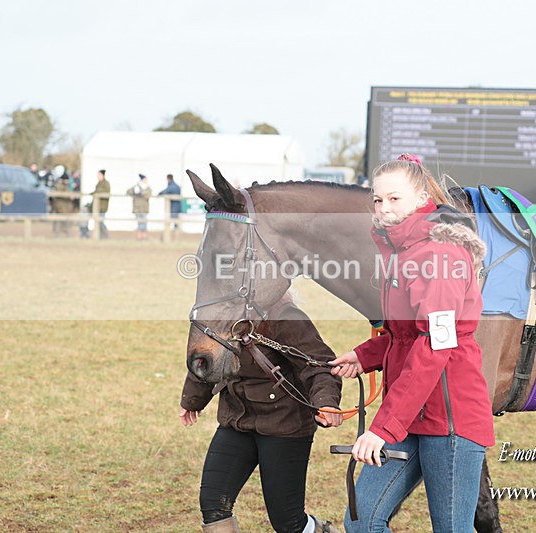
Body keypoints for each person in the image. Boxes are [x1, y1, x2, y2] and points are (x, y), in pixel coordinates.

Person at [330, 153, 494, 532]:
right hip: (411, 416)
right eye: (377, 199)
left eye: (394, 198)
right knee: (362, 521)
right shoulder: (403, 252)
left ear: (422, 198)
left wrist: (383, 428)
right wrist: (364, 354)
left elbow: (435, 345)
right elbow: (404, 333)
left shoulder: (438, 254)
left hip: (449, 419)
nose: (383, 208)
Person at [181, 295, 344, 533]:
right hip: (236, 421)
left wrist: (326, 402)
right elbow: (207, 356)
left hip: (285, 426)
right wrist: (193, 398)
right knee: (213, 507)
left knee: (288, 523)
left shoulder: (286, 317)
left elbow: (319, 364)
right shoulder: (219, 312)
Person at [127, 173, 151, 240]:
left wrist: (142, 193)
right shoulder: (136, 187)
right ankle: (139, 236)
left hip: (144, 208)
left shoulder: (147, 187)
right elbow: (128, 192)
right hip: (137, 208)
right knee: (139, 222)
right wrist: (135, 191)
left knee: (144, 222)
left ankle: (144, 236)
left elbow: (149, 194)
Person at [91, 169, 111, 239]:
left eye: (99, 175)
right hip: (97, 206)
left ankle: (105, 236)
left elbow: (105, 192)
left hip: (102, 206)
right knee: (98, 222)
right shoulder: (99, 183)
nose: (98, 176)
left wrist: (96, 193)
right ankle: (101, 236)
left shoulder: (106, 183)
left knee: (101, 222)